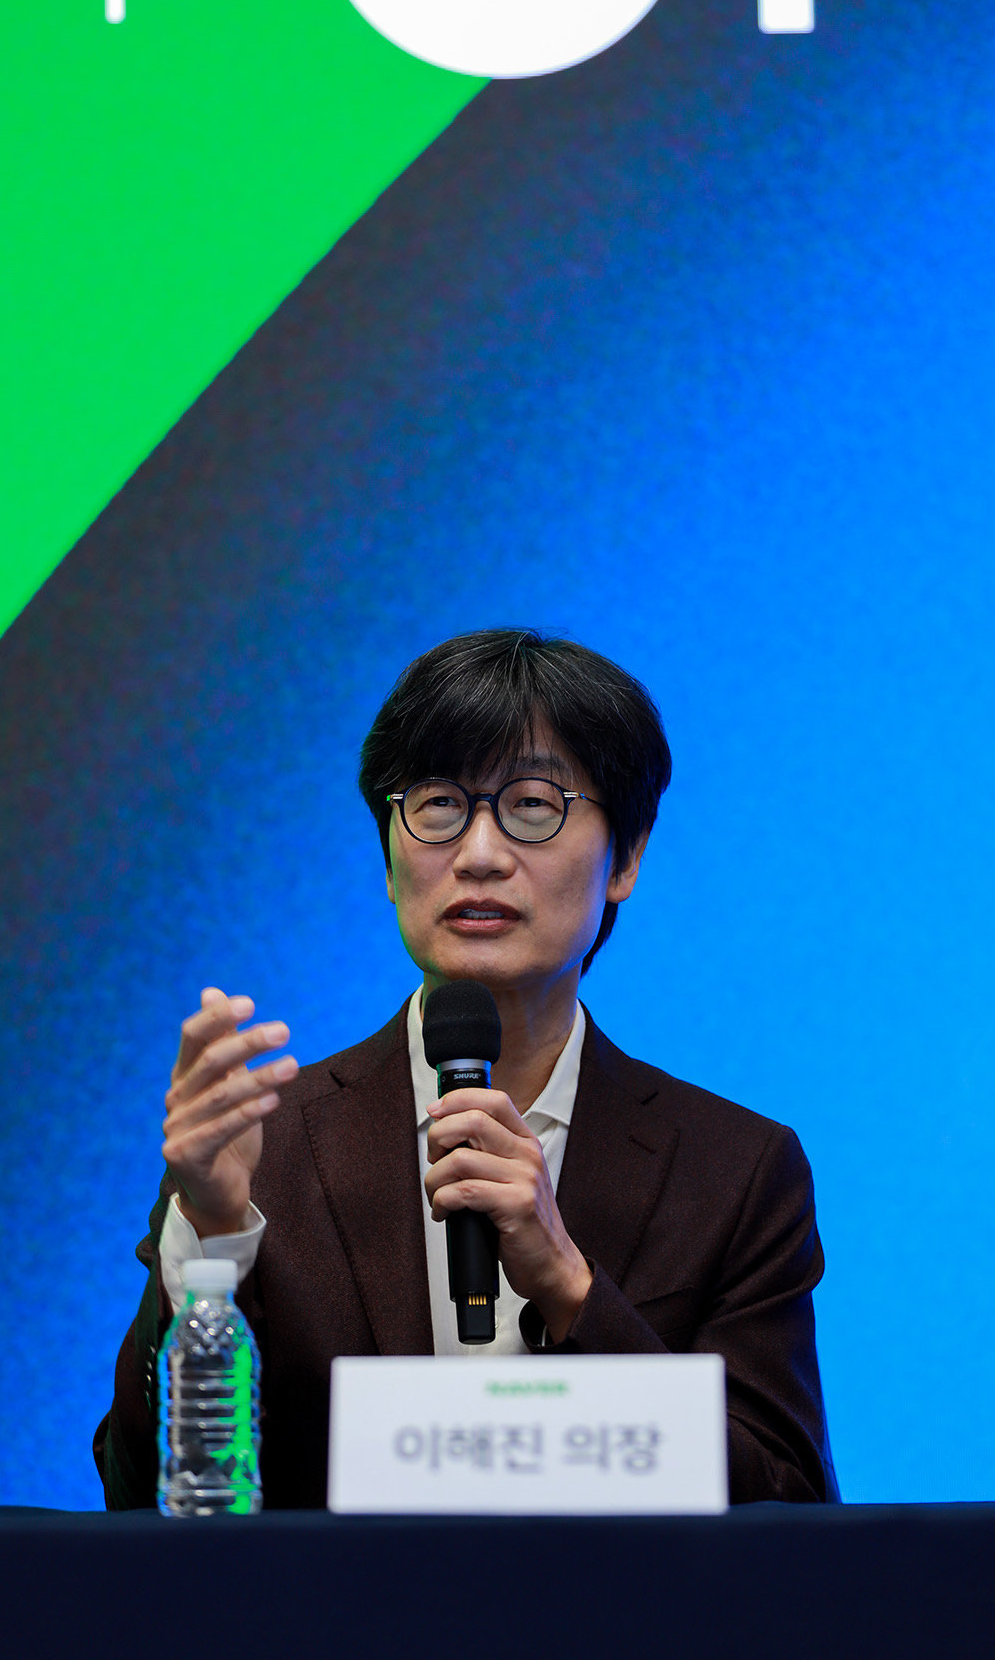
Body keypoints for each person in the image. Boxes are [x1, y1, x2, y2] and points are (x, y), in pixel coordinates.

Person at [95, 628, 839, 1506]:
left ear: (626, 856)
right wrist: (211, 1237)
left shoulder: (732, 1170)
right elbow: (139, 1497)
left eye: (532, 805)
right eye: (439, 804)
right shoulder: (263, 1146)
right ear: (388, 857)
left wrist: (570, 1288)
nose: (479, 853)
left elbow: (786, 1513)